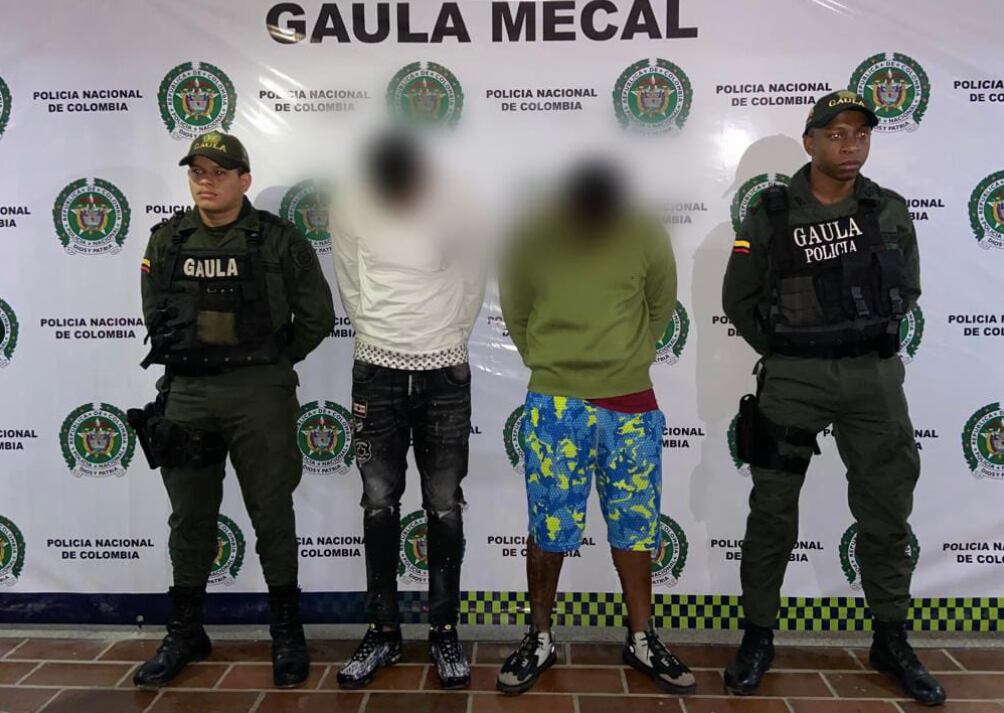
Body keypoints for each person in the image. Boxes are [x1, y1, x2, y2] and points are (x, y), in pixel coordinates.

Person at [721, 90, 945, 706]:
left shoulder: (887, 209)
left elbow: (908, 287)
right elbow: (739, 299)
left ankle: (891, 638)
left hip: (872, 380)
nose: (851, 145)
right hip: (794, 380)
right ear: (810, 142)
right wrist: (790, 346)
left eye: (860, 134)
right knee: (772, 510)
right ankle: (758, 636)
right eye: (837, 134)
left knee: (886, 510)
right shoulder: (770, 213)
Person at [134, 131, 336, 689]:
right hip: (188, 395)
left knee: (271, 514)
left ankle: (287, 632)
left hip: (258, 396)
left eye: (219, 172)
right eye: (197, 171)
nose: (206, 181)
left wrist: (270, 359)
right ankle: (185, 631)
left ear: (244, 180)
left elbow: (317, 317)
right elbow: (156, 316)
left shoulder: (278, 240)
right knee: (190, 517)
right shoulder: (167, 241)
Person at [496, 160, 695, 696]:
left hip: (630, 404)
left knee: (636, 524)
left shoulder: (645, 232)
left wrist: (628, 359)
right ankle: (539, 638)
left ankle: (642, 638)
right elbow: (516, 309)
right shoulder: (531, 236)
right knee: (549, 525)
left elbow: (661, 306)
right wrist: (550, 361)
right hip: (555, 404)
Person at [330, 132, 485, 690]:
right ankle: (383, 631)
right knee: (378, 504)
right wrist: (379, 335)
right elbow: (349, 281)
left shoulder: (459, 199)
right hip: (377, 370)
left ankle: (443, 632)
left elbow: (472, 280)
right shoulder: (350, 202)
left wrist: (446, 340)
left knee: (443, 506)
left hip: (444, 371)